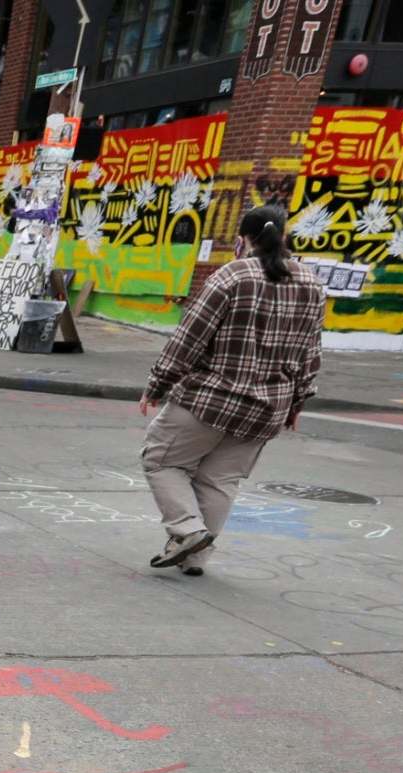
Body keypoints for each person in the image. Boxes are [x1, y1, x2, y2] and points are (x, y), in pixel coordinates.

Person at [140, 203, 321, 577]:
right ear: (284, 236)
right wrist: (297, 402)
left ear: (243, 239)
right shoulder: (312, 284)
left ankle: (188, 531)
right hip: (267, 407)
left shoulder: (232, 276)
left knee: (161, 460)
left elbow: (189, 338)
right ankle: (194, 559)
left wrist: (158, 383)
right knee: (220, 480)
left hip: (211, 397)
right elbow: (310, 351)